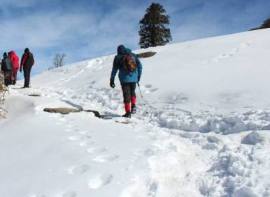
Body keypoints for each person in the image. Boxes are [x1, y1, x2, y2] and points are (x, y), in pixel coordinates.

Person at [110, 45, 142, 118]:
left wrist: (112, 80)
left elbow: (114, 70)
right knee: (132, 92)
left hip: (124, 79)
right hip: (134, 78)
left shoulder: (117, 57)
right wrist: (138, 76)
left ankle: (128, 113)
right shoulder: (133, 55)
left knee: (126, 95)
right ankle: (133, 106)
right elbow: (140, 66)